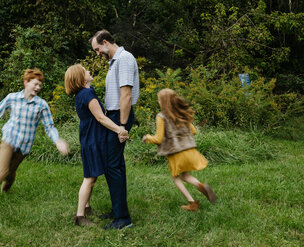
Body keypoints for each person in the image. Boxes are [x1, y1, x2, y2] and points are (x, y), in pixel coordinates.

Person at [0, 68, 69, 228]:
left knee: (10, 172)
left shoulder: (41, 105)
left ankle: (9, 182)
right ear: (26, 82)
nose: (38, 87)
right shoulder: (13, 98)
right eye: (35, 84)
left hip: (24, 147)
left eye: (40, 85)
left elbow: (49, 127)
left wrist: (57, 140)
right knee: (0, 172)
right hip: (8, 140)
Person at [64, 64, 129, 226]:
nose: (89, 71)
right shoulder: (86, 94)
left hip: (90, 137)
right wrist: (119, 130)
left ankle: (86, 207)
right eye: (85, 70)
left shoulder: (85, 92)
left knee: (91, 173)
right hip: (92, 139)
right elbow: (100, 118)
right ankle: (80, 217)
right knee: (90, 178)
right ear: (80, 78)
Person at [90, 29, 139, 229]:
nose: (97, 53)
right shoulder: (114, 62)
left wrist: (121, 126)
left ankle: (123, 218)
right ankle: (117, 209)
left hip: (119, 117)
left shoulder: (124, 59)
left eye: (97, 49)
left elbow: (126, 95)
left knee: (114, 166)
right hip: (114, 116)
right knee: (113, 165)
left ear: (105, 42)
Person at [142, 89, 217, 211]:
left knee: (176, 178)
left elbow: (158, 138)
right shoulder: (181, 114)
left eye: (159, 100)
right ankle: (201, 186)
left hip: (176, 153)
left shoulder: (161, 116)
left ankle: (192, 203)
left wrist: (147, 138)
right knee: (185, 175)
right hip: (190, 150)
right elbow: (193, 131)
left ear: (163, 102)